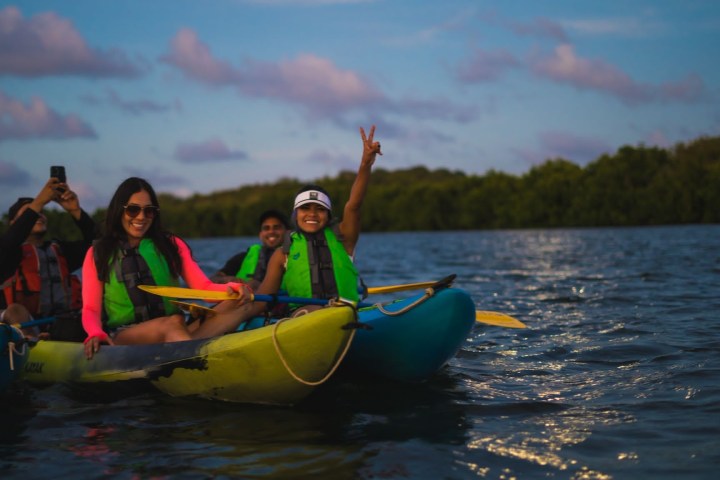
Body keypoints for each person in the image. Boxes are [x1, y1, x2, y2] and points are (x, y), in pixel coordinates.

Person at [81, 177, 252, 359]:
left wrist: (235, 289)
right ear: (119, 210)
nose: (141, 217)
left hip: (175, 327)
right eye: (133, 210)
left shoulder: (171, 244)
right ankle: (197, 359)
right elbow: (91, 308)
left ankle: (187, 351)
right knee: (173, 323)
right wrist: (95, 333)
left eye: (149, 211)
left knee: (241, 303)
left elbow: (204, 289)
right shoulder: (97, 253)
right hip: (126, 335)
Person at [235, 125, 381, 320]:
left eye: (320, 209)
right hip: (301, 318)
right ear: (295, 214)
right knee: (315, 312)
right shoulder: (282, 253)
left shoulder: (344, 238)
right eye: (305, 208)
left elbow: (354, 205)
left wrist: (365, 164)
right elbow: (262, 299)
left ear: (328, 215)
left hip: (346, 314)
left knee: (335, 314)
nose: (312, 214)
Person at [0, 177, 97, 330]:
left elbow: (99, 244)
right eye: (32, 212)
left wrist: (75, 211)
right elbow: (10, 242)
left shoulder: (60, 251)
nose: (39, 215)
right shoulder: (7, 254)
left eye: (41, 212)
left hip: (62, 324)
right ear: (13, 223)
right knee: (15, 311)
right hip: (24, 325)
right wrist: (38, 202)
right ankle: (28, 341)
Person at [210, 209, 289, 289]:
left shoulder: (295, 258)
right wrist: (227, 280)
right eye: (266, 228)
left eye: (276, 227)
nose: (271, 231)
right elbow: (213, 279)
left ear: (287, 232)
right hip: (246, 298)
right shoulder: (243, 257)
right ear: (260, 234)